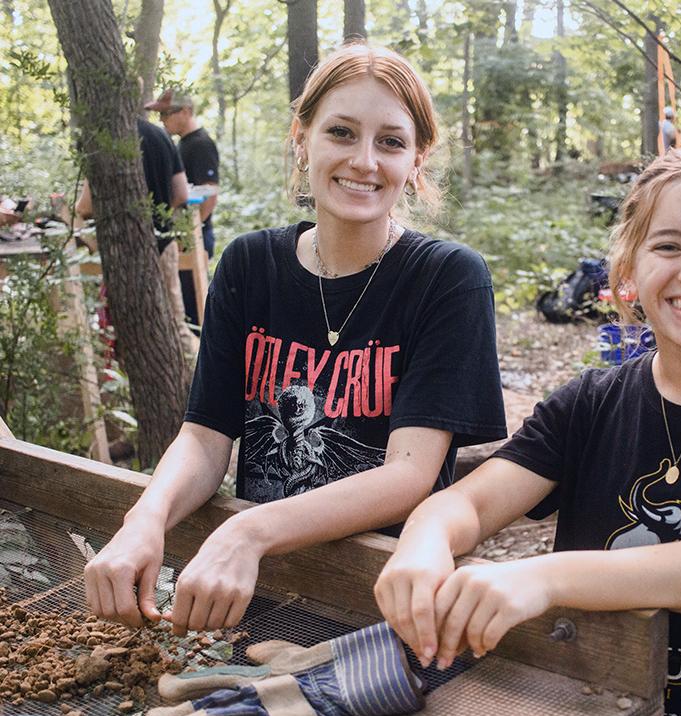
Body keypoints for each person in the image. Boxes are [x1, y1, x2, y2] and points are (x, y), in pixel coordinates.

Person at [375, 148, 681, 716]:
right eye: (668, 246)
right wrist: (423, 542)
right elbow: (469, 504)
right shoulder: (589, 404)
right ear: (629, 269)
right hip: (595, 703)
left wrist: (543, 578)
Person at [84, 43, 506, 638]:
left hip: (384, 611)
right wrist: (145, 519)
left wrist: (247, 531)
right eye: (341, 132)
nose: (364, 161)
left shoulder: (447, 278)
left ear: (417, 160)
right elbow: (204, 437)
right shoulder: (249, 265)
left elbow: (408, 475)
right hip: (259, 598)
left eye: (390, 141)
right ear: (302, 138)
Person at [75, 116, 197, 355]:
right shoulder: (161, 135)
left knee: (124, 329)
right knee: (175, 324)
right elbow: (182, 194)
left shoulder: (101, 138)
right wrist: (158, 219)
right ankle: (196, 369)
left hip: (121, 251)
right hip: (164, 243)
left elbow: (85, 206)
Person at [146, 89, 220, 326]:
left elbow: (210, 195)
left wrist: (187, 236)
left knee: (193, 302)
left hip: (194, 237)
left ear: (186, 111)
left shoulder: (201, 145)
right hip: (181, 236)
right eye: (160, 114)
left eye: (167, 113)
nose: (162, 120)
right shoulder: (181, 145)